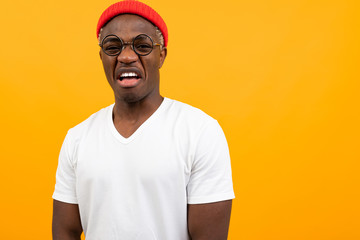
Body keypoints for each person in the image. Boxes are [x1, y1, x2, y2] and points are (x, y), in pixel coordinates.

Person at [52, 1, 235, 239]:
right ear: (101, 57)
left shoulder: (200, 131)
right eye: (112, 46)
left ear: (161, 55)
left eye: (142, 45)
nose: (126, 57)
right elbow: (65, 230)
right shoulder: (77, 138)